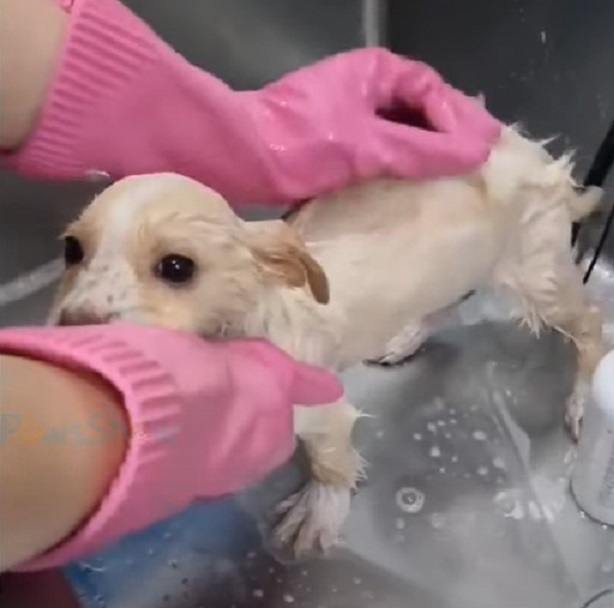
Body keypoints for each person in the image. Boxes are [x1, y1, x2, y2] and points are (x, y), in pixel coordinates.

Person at [0, 0, 501, 573]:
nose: (81, 309)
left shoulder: (278, 296)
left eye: (175, 268)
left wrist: (330, 481)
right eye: (76, 252)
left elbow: (327, 409)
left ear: (280, 267)